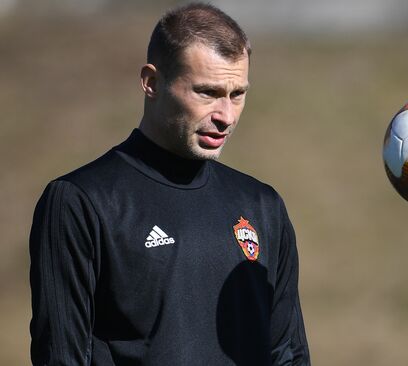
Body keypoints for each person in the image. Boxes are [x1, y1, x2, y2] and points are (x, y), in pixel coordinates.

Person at [29, 3, 310, 365]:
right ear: (152, 82)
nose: (225, 116)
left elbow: (288, 353)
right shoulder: (80, 201)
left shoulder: (262, 204)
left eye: (237, 94)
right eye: (206, 93)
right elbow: (60, 356)